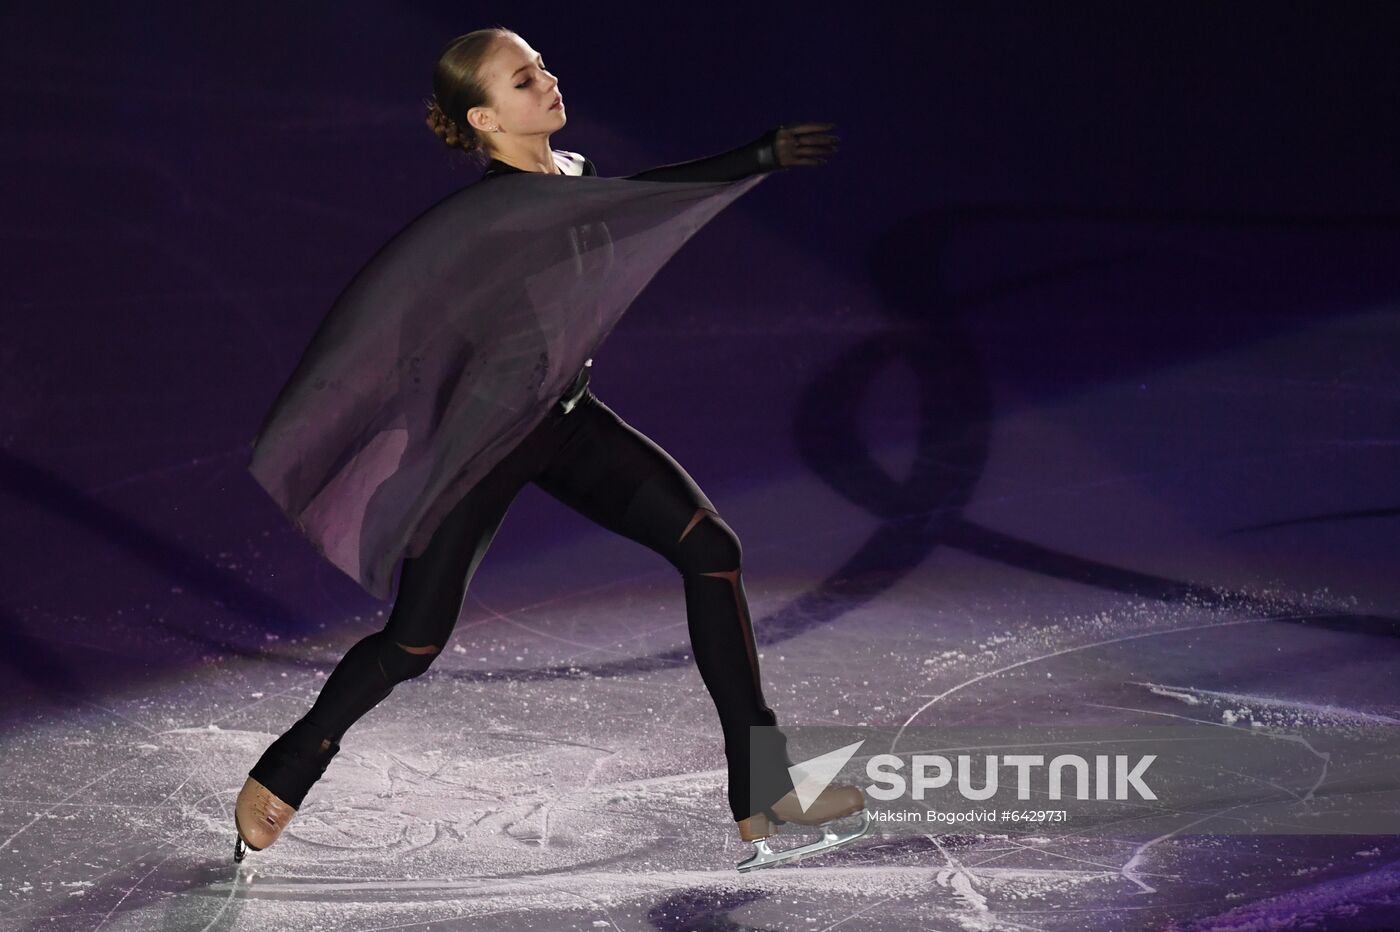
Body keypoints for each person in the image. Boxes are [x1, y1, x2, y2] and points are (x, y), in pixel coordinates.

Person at [234, 26, 867, 871]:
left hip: (562, 422)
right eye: (524, 80)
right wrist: (751, 156)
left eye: (542, 67)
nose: (548, 81)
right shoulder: (497, 213)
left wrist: (750, 160)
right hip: (483, 446)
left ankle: (761, 785)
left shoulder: (572, 178)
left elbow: (632, 200)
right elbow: (423, 323)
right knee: (415, 642)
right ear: (487, 120)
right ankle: (288, 766)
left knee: (710, 549)